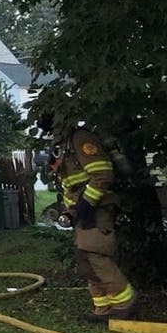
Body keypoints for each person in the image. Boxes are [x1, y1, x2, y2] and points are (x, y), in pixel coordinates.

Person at [39, 111, 137, 322]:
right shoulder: (63, 145)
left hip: (98, 208)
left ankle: (124, 304)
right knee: (86, 261)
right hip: (81, 210)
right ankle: (103, 309)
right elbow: (71, 184)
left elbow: (102, 173)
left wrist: (87, 203)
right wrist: (70, 210)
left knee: (96, 255)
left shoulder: (80, 139)